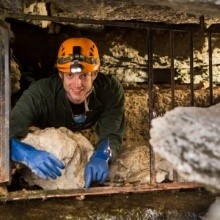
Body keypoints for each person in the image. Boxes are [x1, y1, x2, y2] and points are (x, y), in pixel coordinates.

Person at [10, 37, 125, 188]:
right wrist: (26, 154)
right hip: (45, 130)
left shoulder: (110, 90)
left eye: (84, 75)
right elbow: (7, 132)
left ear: (95, 74)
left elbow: (112, 133)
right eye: (70, 75)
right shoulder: (39, 94)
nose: (77, 84)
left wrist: (103, 155)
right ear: (60, 74)